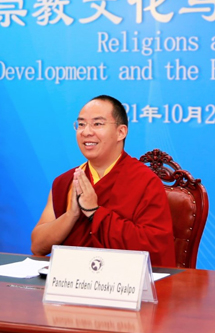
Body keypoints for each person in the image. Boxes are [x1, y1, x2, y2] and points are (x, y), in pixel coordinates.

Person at [30, 95, 176, 267]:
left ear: (121, 132)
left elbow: (154, 249)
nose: (86, 132)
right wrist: (71, 215)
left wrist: (94, 212)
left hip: (122, 280)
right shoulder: (67, 181)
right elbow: (37, 246)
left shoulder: (145, 181)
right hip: (71, 278)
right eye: (81, 124)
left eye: (97, 124)